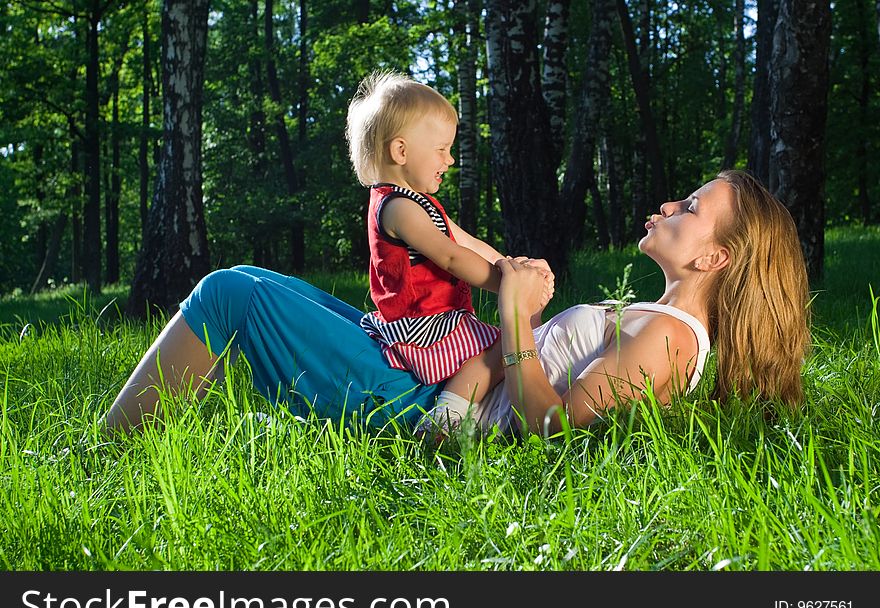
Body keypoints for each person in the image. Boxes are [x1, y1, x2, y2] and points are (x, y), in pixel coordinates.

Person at [103, 170, 810, 437]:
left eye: (688, 207)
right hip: (440, 382)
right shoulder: (663, 324)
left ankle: (107, 449)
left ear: (711, 258)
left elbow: (552, 424)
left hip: (424, 409)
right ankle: (164, 423)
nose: (667, 204)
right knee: (250, 275)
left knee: (230, 294)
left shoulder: (672, 339)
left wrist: (513, 312)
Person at [344, 70, 553, 437]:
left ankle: (479, 404)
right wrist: (510, 286)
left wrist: (513, 265)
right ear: (401, 151)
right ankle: (445, 420)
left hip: (441, 318)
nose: (451, 159)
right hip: (422, 326)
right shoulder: (398, 208)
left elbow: (467, 243)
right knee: (503, 344)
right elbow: (452, 258)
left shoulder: (420, 203)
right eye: (442, 149)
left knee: (511, 340)